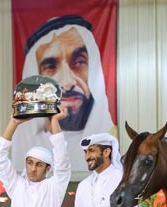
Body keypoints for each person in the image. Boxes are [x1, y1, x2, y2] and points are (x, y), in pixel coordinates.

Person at [12, 15, 115, 172]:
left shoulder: (110, 138)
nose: (67, 83)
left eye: (79, 62)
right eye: (50, 66)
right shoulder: (24, 144)